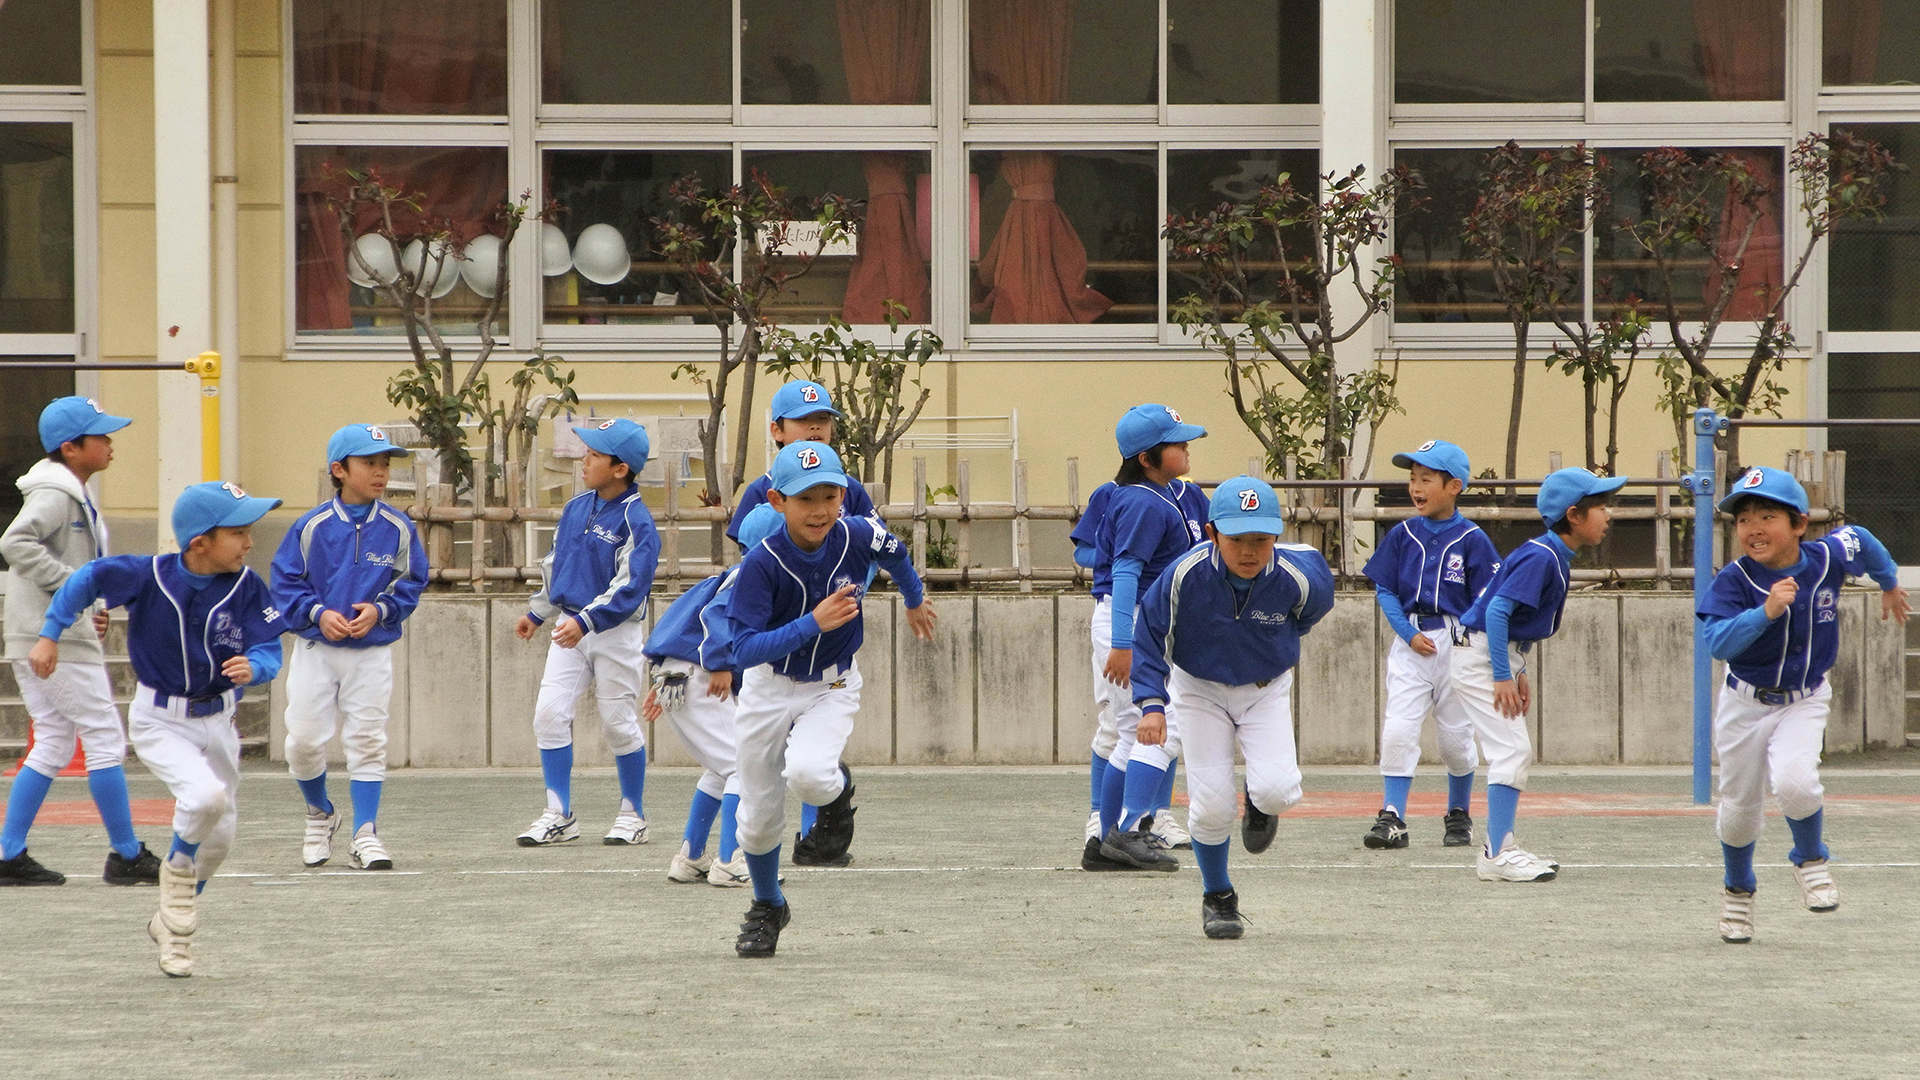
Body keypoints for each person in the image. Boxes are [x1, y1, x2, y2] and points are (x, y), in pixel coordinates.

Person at [30, 481, 285, 977]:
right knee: (205, 800)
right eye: (238, 532)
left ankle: (169, 924)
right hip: (160, 720)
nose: (249, 542)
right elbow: (86, 578)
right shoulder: (148, 575)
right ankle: (180, 904)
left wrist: (256, 666)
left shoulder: (247, 584)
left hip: (218, 721)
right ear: (199, 543)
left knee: (220, 836)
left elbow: (269, 647)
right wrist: (50, 633)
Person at [721, 441, 935, 957]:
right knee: (756, 818)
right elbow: (743, 648)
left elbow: (896, 553)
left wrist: (914, 598)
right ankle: (768, 903)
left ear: (845, 495)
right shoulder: (762, 564)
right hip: (769, 688)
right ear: (777, 501)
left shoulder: (857, 532)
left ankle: (837, 799)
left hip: (833, 684)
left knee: (812, 776)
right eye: (804, 497)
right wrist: (810, 623)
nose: (819, 509)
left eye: (830, 494)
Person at [1698, 467, 1908, 943]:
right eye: (1744, 518)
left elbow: (1864, 540)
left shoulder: (1826, 556)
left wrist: (1889, 580)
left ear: (1798, 525)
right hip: (1744, 704)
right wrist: (1765, 612)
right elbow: (1717, 643)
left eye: (1767, 515)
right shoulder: (1735, 580)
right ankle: (1738, 891)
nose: (1753, 527)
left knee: (1796, 781)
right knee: (1739, 810)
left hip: (1805, 697)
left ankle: (1811, 860)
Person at [1132, 477, 1334, 938]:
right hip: (1199, 689)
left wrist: (1269, 643)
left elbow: (1309, 612)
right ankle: (1218, 897)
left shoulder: (1301, 575)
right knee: (1210, 809)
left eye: (1261, 539)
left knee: (1279, 790)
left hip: (1264, 688)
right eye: (1236, 539)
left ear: (1276, 536)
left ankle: (1261, 805)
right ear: (1211, 534)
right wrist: (1151, 704)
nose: (1249, 550)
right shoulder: (1184, 575)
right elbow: (1148, 635)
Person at [0, 396, 159, 887]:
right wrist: (74, 586)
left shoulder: (67, 490)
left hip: (35, 631)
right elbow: (14, 542)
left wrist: (92, 602)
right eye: (101, 436)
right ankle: (126, 854)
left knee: (52, 739)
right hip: (51, 636)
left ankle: (9, 854)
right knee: (104, 739)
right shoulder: (57, 494)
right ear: (71, 448)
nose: (110, 444)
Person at [1454, 467, 1625, 883]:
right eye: (1600, 506)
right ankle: (1497, 853)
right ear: (1574, 515)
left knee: (1512, 751)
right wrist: (1500, 674)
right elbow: (1496, 612)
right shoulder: (1542, 556)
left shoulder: (1550, 553)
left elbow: (1511, 616)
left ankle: (1501, 847)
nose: (1608, 515)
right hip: (1480, 657)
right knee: (1511, 752)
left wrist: (1519, 666)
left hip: (1490, 654)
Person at [269, 424, 428, 870]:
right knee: (300, 742)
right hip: (316, 650)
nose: (380, 473)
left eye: (385, 464)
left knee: (367, 741)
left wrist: (381, 610)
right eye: (369, 463)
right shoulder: (311, 526)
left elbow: (411, 581)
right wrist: (318, 614)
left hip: (372, 653)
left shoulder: (398, 526)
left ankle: (366, 833)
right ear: (340, 470)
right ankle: (320, 812)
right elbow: (284, 582)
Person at [513, 419, 660, 848]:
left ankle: (633, 813)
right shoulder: (577, 506)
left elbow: (631, 587)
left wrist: (586, 621)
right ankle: (559, 814)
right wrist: (539, 613)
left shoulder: (638, 520)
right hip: (569, 628)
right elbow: (556, 563)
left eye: (594, 454)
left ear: (620, 468)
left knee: (618, 725)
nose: (584, 458)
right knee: (548, 715)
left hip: (614, 634)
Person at [1085, 404, 1208, 872]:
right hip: (1132, 622)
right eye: (1176, 444)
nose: (1186, 447)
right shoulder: (1141, 499)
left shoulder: (1160, 495)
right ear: (1146, 458)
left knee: (1130, 732)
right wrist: (1123, 642)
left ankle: (1104, 840)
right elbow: (1126, 573)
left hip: (1144, 624)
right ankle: (1133, 828)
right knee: (1160, 725)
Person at [1361, 439, 1499, 850]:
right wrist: (1407, 632)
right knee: (1399, 729)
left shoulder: (1473, 538)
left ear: (1454, 486)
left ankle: (1459, 812)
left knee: (1456, 740)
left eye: (1426, 479)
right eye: (1412, 478)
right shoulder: (1403, 533)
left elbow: (1488, 597)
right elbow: (1385, 589)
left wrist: (1469, 637)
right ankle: (1392, 815)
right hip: (1413, 640)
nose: (1416, 487)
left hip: (1458, 642)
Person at [643, 506, 786, 888]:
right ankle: (729, 860)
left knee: (720, 769)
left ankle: (691, 857)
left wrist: (661, 679)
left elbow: (683, 622)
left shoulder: (731, 573)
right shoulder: (752, 576)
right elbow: (719, 617)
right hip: (703, 673)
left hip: (680, 673)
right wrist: (721, 661)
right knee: (743, 766)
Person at [1072, 476, 1198, 851]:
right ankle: (1110, 822)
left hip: (1167, 618)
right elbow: (1088, 553)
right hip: (1128, 615)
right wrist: (1131, 552)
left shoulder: (1187, 494)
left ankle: (1151, 816)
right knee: (1133, 726)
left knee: (1158, 728)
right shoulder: (1117, 493)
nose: (1187, 449)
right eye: (1176, 443)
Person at [725, 380, 876, 548]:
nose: (815, 426)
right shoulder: (761, 489)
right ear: (777, 430)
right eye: (802, 419)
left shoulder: (848, 486)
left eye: (823, 419)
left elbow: (874, 540)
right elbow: (749, 551)